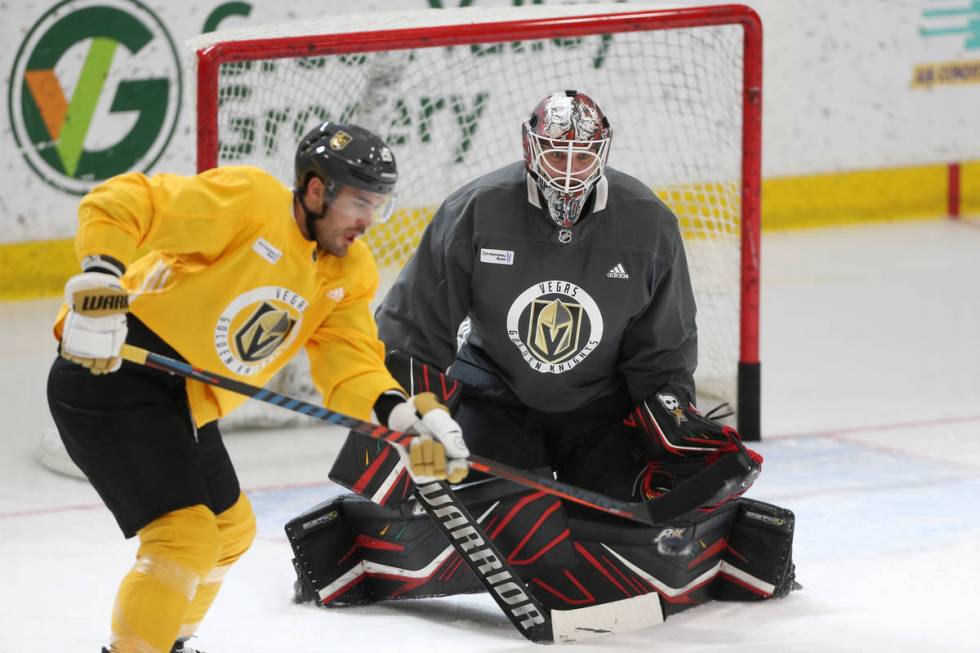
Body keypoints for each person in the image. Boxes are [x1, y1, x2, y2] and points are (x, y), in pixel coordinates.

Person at [284, 93, 796, 621]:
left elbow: (662, 356)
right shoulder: (475, 210)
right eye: (557, 155)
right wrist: (420, 422)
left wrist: (671, 427)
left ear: (603, 152)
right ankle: (351, 540)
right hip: (494, 397)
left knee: (627, 519)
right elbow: (415, 334)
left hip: (601, 411)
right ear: (531, 149)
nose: (570, 171)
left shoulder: (647, 224)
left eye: (582, 156)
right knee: (476, 502)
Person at [46, 121, 469, 653]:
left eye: (377, 205)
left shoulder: (347, 271)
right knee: (184, 537)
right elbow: (125, 200)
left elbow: (350, 363)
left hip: (183, 398)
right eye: (360, 202)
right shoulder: (250, 202)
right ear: (317, 190)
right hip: (113, 369)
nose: (368, 220)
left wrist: (401, 417)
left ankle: (166, 642)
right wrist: (103, 277)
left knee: (229, 531)